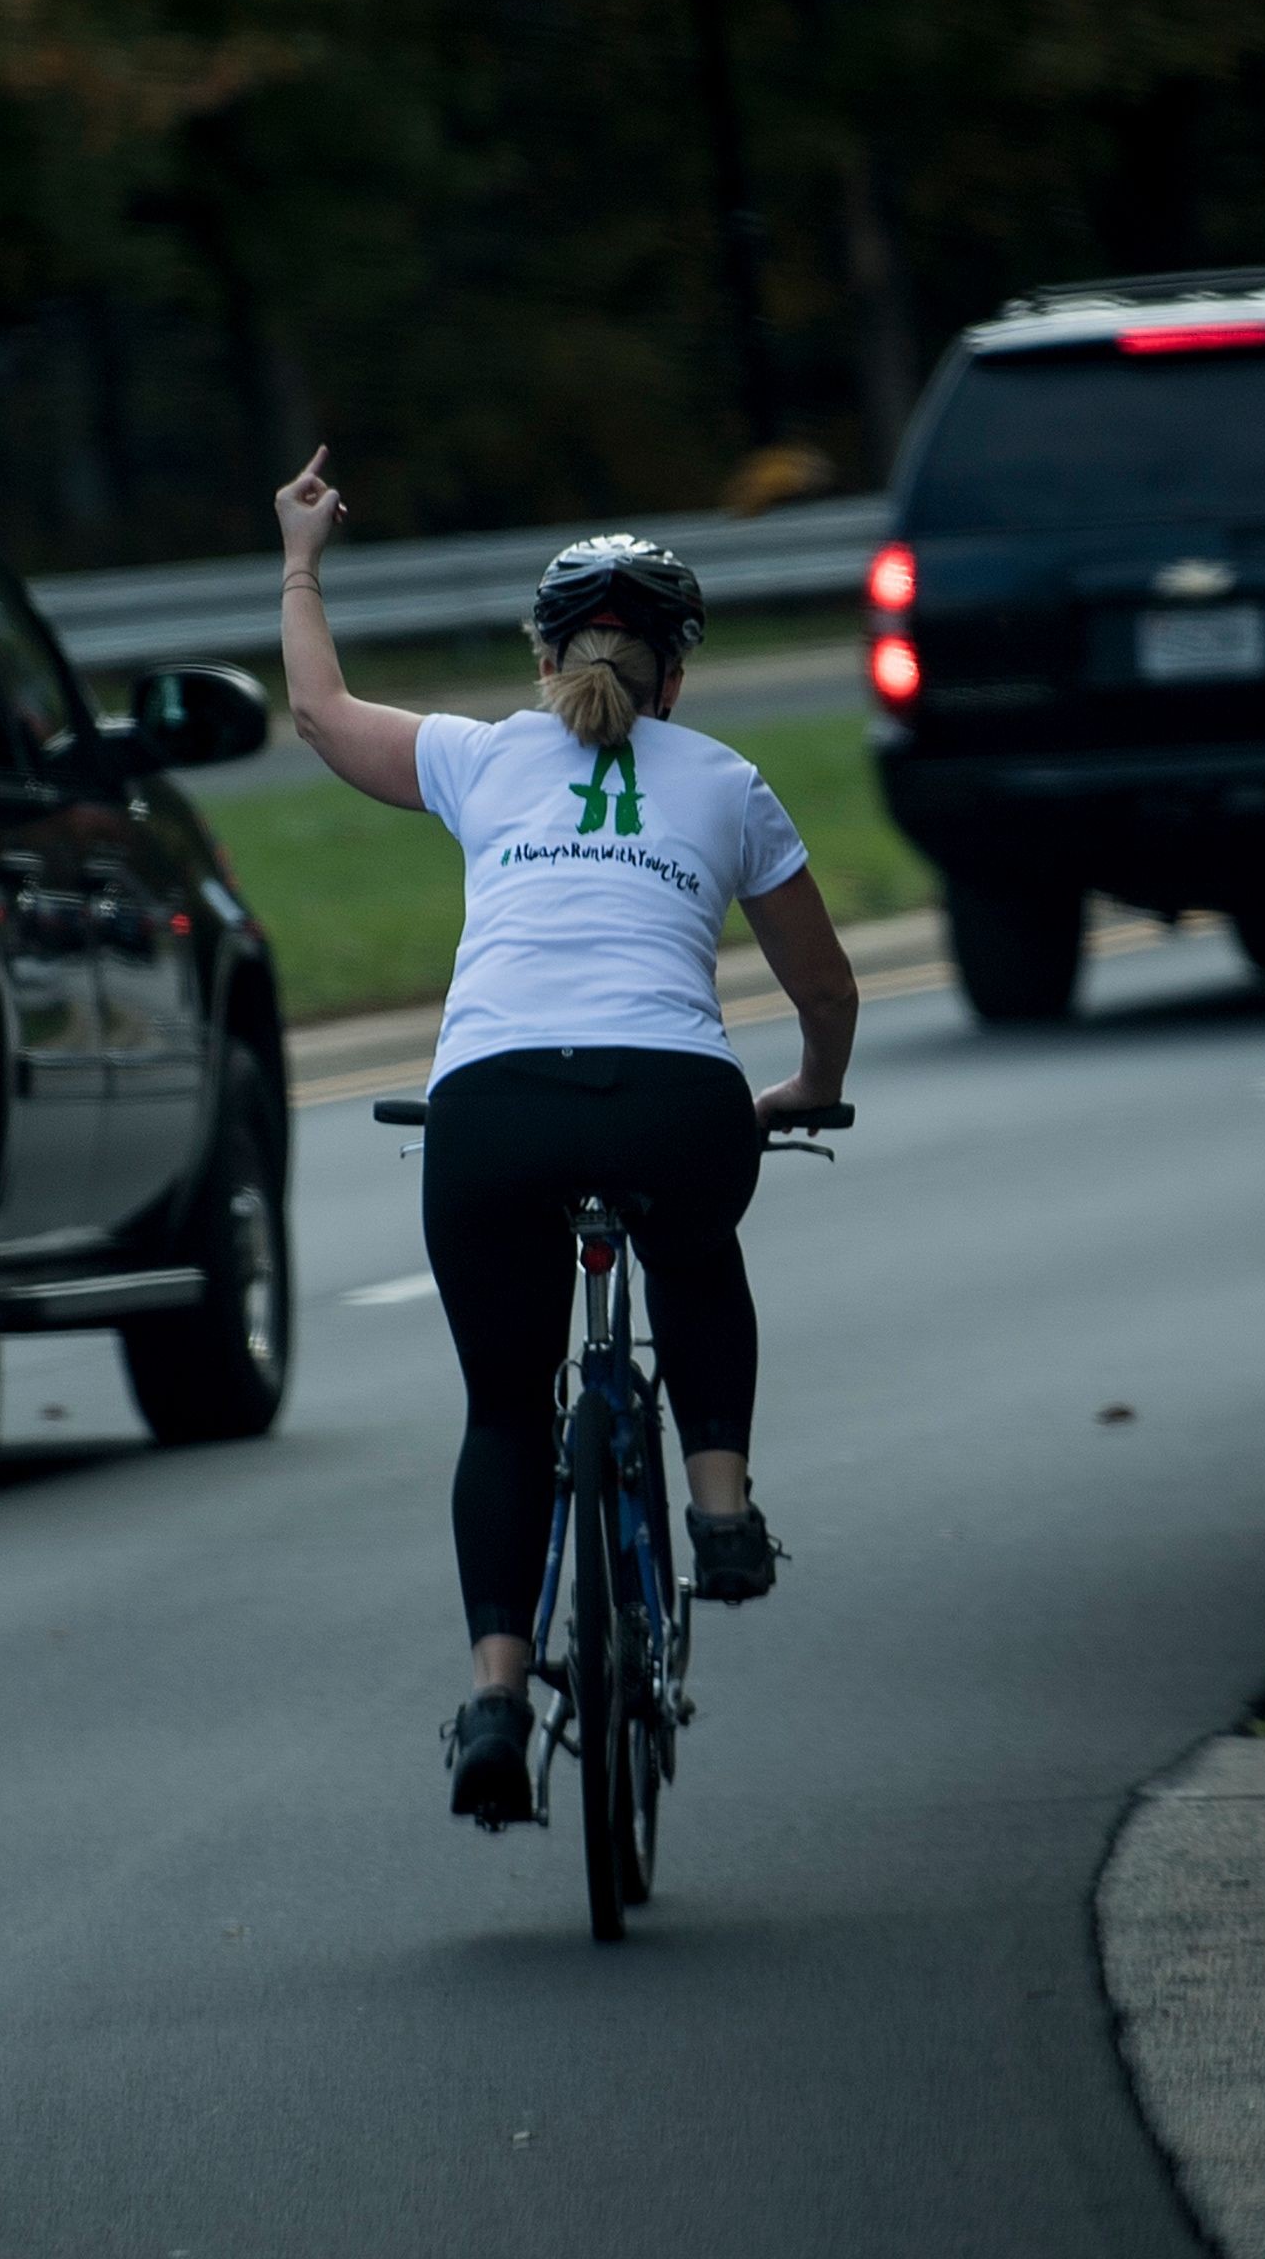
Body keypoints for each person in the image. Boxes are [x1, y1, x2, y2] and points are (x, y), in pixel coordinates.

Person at [271, 449, 861, 1828]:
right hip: (675, 1099)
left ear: (546, 658)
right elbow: (823, 986)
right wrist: (808, 1084)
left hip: (493, 1106)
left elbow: (316, 710)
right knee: (697, 1246)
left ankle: (491, 1694)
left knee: (501, 1406)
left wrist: (302, 557)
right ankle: (719, 1509)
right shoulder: (727, 780)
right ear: (675, 676)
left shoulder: (478, 758)